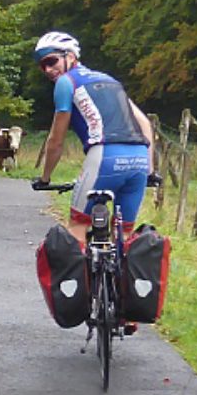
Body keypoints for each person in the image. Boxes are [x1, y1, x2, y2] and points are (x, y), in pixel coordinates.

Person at [31, 31, 159, 245]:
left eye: (51, 61)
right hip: (139, 158)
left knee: (79, 225)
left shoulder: (66, 82)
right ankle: (124, 276)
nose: (48, 70)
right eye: (42, 66)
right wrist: (151, 172)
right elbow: (145, 125)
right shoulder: (110, 81)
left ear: (70, 56)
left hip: (105, 157)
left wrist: (45, 178)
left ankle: (79, 279)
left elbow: (56, 140)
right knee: (124, 234)